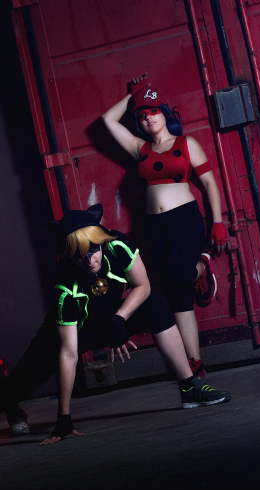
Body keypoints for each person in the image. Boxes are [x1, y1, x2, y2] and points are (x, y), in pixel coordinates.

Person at [0, 204, 230, 444]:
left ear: (101, 241)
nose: (89, 260)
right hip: (71, 333)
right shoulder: (65, 287)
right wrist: (64, 418)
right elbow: (69, 353)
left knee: (156, 306)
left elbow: (143, 286)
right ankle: (12, 407)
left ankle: (189, 387)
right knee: (16, 388)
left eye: (93, 250)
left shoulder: (117, 244)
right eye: (79, 255)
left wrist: (119, 318)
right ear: (69, 255)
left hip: (109, 321)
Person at [102, 75, 226, 378]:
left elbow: (209, 183)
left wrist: (218, 222)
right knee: (176, 294)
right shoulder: (140, 148)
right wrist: (132, 95)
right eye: (142, 115)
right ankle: (195, 362)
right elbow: (108, 120)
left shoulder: (187, 144)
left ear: (165, 113)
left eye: (153, 111)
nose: (148, 118)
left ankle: (203, 267)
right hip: (153, 226)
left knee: (178, 276)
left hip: (185, 220)